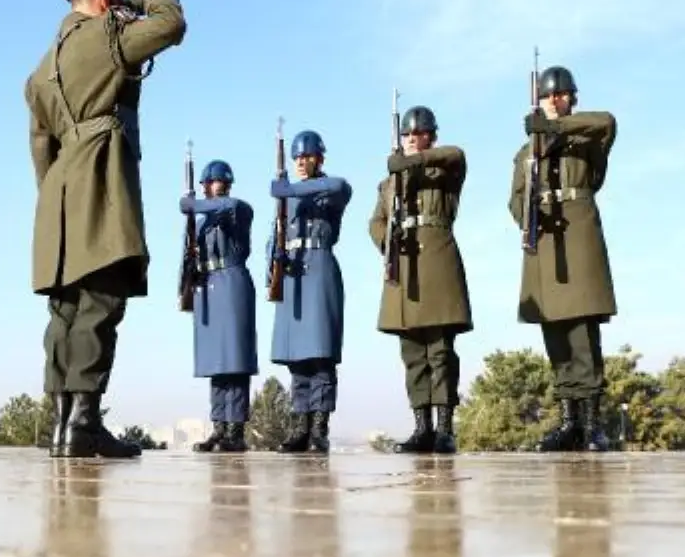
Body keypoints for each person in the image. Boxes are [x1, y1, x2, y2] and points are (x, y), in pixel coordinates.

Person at [24, 0, 187, 458]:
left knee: (66, 309)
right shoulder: (108, 36)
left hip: (58, 189)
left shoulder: (39, 71)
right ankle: (85, 423)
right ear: (102, 0)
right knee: (101, 301)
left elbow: (39, 148)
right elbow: (173, 22)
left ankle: (60, 424)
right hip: (100, 173)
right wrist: (137, 3)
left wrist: (56, 201)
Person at [509, 64, 618, 452]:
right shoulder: (527, 152)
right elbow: (516, 197)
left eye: (560, 94)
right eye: (546, 95)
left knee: (582, 332)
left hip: (578, 232)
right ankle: (569, 420)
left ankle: (592, 424)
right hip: (545, 235)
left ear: (572, 98)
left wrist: (552, 129)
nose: (553, 101)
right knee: (555, 333)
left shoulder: (584, 137)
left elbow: (607, 122)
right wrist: (528, 215)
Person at [368, 106, 473, 454]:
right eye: (408, 135)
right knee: (412, 352)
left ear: (431, 136)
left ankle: (445, 429)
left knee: (440, 351)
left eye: (419, 134)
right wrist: (387, 240)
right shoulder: (387, 184)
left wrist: (411, 163)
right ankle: (421, 428)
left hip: (437, 259)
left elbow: (457, 154)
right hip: (404, 263)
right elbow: (376, 221)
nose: (412, 139)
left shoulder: (444, 171)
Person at [267, 130, 353, 454]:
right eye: (298, 158)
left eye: (308, 156)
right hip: (291, 273)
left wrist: (291, 189)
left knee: (320, 357)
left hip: (318, 267)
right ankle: (300, 426)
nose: (302, 162)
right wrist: (271, 265)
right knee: (296, 360)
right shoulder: (286, 197)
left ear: (320, 158)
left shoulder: (328, 192)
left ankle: (319, 428)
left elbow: (341, 186)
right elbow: (274, 232)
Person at [179, 159, 258, 452]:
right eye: (205, 183)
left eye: (212, 182)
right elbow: (188, 255)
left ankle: (235, 431)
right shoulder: (200, 221)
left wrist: (193, 205)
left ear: (225, 183)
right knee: (216, 363)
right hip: (207, 287)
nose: (208, 188)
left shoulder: (236, 210)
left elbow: (231, 206)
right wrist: (184, 290)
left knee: (234, 361)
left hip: (232, 282)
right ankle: (219, 427)